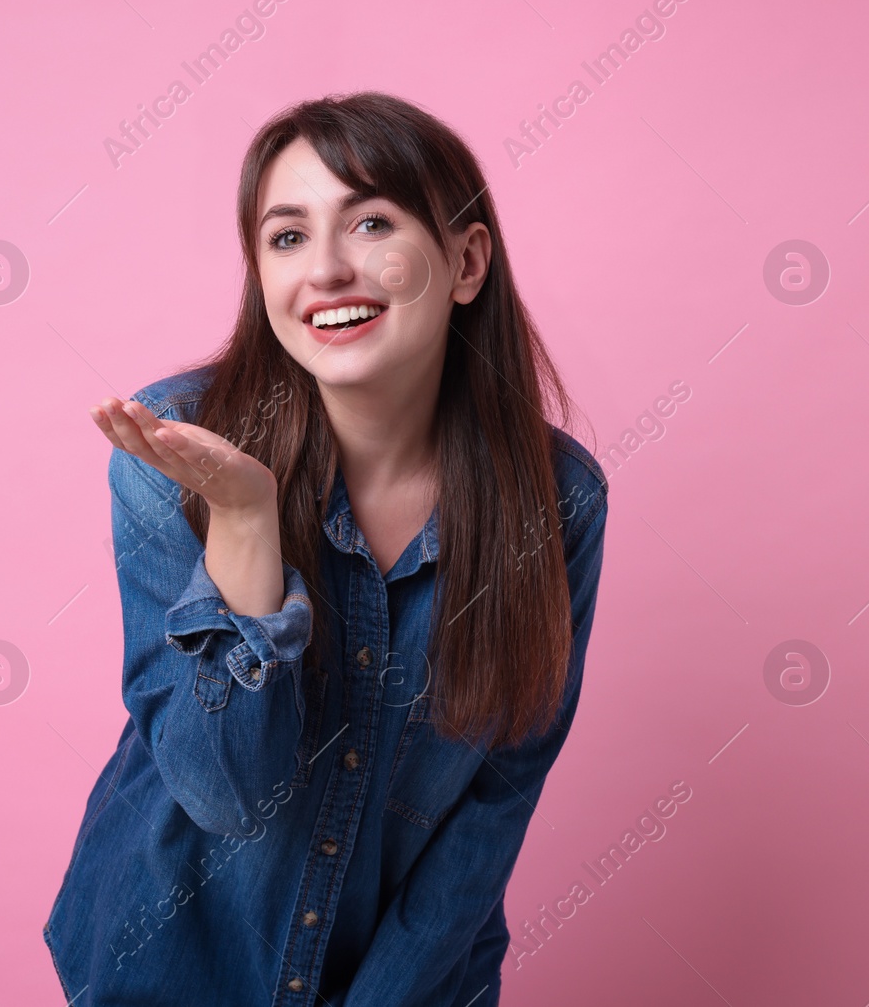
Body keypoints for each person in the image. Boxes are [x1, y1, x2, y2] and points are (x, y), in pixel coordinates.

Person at [42, 91, 609, 1006]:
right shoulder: (174, 449)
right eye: (288, 237)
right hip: (168, 963)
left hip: (413, 978)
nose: (329, 270)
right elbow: (224, 792)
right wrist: (244, 523)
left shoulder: (560, 501)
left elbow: (496, 799)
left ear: (465, 262)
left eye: (372, 222)